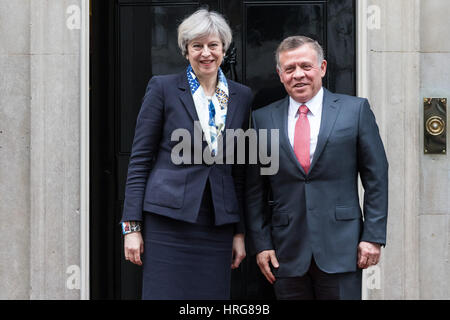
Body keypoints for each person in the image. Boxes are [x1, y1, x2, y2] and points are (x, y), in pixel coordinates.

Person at [120, 9, 253, 300]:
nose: (206, 53)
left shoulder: (241, 97)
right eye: (197, 46)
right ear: (186, 51)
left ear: (224, 49)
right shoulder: (164, 88)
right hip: (167, 223)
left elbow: (239, 169)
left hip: (217, 223)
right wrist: (131, 227)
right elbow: (140, 159)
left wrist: (239, 232)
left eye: (213, 45)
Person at [245, 36, 388, 300]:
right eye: (289, 69)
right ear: (280, 74)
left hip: (343, 247)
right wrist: (261, 244)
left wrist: (373, 236)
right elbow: (254, 189)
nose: (298, 75)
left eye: (305, 66)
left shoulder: (355, 111)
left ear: (322, 68)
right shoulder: (262, 119)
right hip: (285, 252)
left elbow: (376, 176)